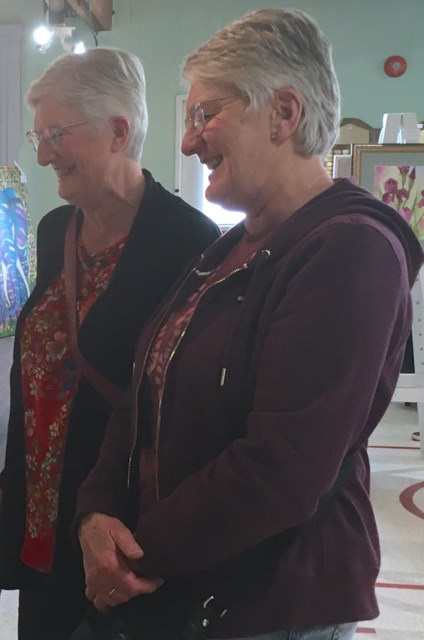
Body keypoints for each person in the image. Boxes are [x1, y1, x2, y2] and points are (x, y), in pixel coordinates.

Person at [75, 9, 424, 640]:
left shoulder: (350, 251)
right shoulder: (230, 245)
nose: (187, 142)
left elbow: (280, 470)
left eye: (205, 115)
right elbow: (141, 392)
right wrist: (96, 511)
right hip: (181, 582)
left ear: (284, 113)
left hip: (266, 603)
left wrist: (132, 557)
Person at [0, 47, 220, 640]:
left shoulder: (189, 241)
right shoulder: (54, 229)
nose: (42, 154)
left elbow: (185, 407)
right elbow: (38, 372)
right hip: (41, 502)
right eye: (38, 135)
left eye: (57, 133)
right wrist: (10, 480)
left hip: (119, 524)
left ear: (118, 131)